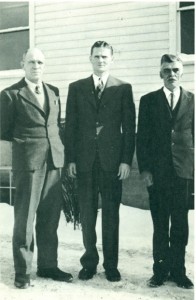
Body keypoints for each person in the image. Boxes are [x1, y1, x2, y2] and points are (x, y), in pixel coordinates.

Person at [0, 48, 73, 289]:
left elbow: (55, 126)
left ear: (45, 64)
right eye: (31, 61)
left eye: (40, 62)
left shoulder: (53, 92)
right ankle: (23, 272)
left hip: (54, 161)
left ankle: (48, 265)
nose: (36, 66)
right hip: (29, 163)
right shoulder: (10, 95)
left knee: (50, 218)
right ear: (23, 63)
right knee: (25, 219)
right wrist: (28, 146)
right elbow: (4, 130)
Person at [65, 41, 135, 282]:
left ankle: (111, 265)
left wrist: (126, 161)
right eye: (96, 56)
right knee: (87, 214)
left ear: (112, 59)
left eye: (105, 56)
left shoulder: (123, 88)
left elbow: (129, 127)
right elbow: (71, 127)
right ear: (90, 58)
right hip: (84, 162)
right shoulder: (76, 88)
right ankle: (89, 262)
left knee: (111, 215)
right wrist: (71, 159)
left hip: (112, 163)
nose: (101, 60)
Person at [136, 54, 194, 289]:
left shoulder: (193, 100)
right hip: (158, 174)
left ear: (182, 72)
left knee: (180, 223)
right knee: (160, 223)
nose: (172, 74)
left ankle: (179, 271)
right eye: (167, 70)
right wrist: (146, 170)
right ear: (160, 73)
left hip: (183, 172)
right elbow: (143, 139)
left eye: (176, 70)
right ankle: (160, 271)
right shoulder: (148, 101)